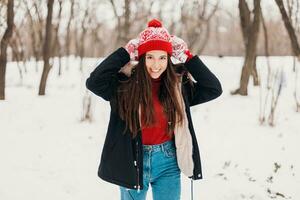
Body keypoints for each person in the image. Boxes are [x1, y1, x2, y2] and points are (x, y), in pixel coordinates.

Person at [86, 19, 222, 200]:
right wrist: (124, 53)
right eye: (150, 57)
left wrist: (188, 57)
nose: (156, 65)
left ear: (169, 58)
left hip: (168, 161)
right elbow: (94, 82)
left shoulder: (178, 86)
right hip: (133, 159)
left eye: (162, 58)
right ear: (141, 58)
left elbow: (213, 88)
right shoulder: (124, 86)